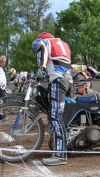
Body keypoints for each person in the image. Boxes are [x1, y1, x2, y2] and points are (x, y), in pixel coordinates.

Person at [32, 32, 72, 166]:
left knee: (55, 116)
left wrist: (40, 67)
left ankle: (60, 155)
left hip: (58, 81)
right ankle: (60, 145)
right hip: (66, 80)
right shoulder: (63, 44)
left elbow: (41, 48)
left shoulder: (44, 42)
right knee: (56, 115)